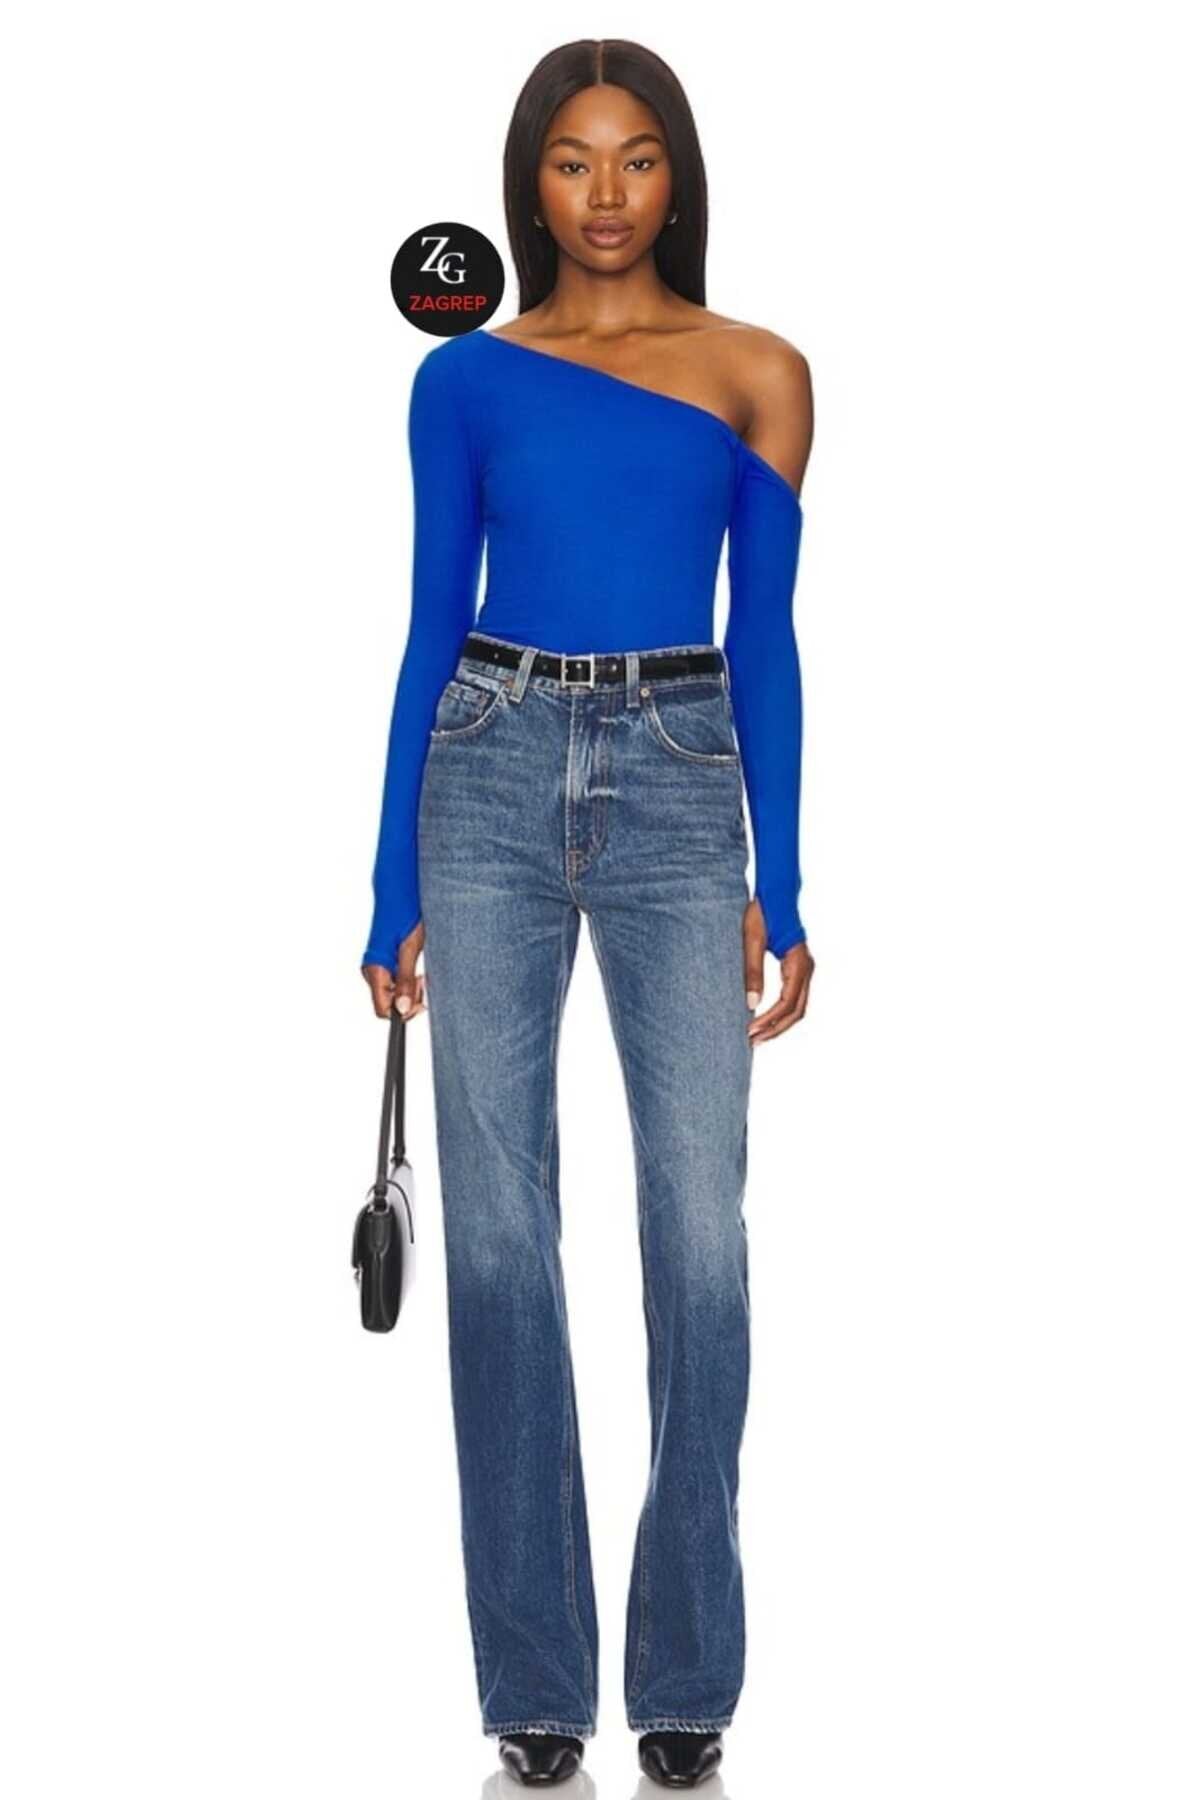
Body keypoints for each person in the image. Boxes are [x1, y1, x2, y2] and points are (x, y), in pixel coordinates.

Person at [361, 38, 815, 1792]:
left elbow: (765, 637)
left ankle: (687, 1671)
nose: (605, 193)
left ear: (676, 176)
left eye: (636, 159)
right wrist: (392, 879)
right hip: (483, 766)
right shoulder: (465, 378)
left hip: (684, 778)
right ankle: (536, 1686)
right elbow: (429, 621)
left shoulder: (758, 371)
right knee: (498, 1243)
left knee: (699, 1233)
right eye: (572, 160)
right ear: (530, 181)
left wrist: (786, 874)